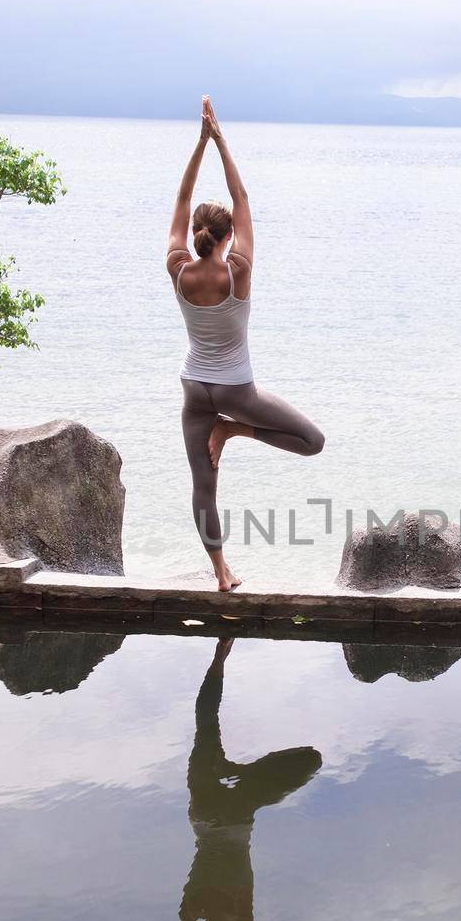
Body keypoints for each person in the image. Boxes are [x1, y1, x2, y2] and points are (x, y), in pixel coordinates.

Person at [169, 96, 325, 592]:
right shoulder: (240, 272)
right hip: (237, 394)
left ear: (196, 235)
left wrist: (197, 147)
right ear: (229, 235)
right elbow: (243, 197)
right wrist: (219, 140)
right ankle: (235, 433)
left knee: (203, 487)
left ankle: (221, 575)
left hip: (196, 390)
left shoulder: (178, 269)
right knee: (312, 442)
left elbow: (180, 201)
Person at [178, 637, 322, 921]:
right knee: (207, 727)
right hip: (213, 816)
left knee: (209, 728)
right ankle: (220, 661)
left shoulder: (233, 915)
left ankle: (220, 662)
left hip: (229, 817)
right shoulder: (199, 914)